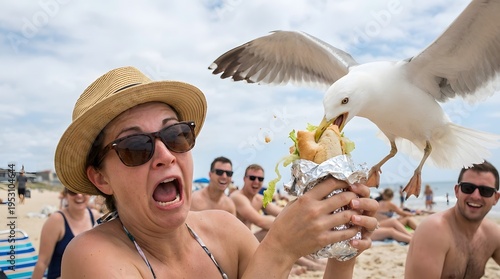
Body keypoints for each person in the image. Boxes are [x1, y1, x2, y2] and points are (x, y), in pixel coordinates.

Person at [55, 66, 379, 278]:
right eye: (136, 147)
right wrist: (280, 249)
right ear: (101, 178)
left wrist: (344, 243)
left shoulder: (225, 230)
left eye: (175, 135)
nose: (165, 155)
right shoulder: (91, 258)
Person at [405, 161, 500, 278]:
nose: (476, 196)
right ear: (456, 191)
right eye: (468, 188)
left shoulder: (492, 234)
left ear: (496, 198)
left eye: (485, 191)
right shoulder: (434, 230)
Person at [230, 164, 328, 272]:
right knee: (272, 232)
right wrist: (288, 225)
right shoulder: (238, 197)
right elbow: (260, 221)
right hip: (237, 247)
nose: (256, 181)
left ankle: (313, 260)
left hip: (251, 242)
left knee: (284, 230)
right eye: (252, 178)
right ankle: (310, 265)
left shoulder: (259, 199)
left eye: (260, 179)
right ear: (244, 179)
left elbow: (282, 213)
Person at [32, 188, 101, 279]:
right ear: (66, 194)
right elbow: (42, 262)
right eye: (73, 191)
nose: (79, 195)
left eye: (84, 191)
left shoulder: (95, 216)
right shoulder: (56, 220)